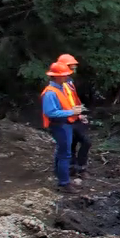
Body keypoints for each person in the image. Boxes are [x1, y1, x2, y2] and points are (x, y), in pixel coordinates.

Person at [39, 62, 85, 193]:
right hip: (59, 125)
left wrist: (74, 112)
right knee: (65, 154)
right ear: (56, 76)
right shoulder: (50, 93)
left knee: (62, 152)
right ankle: (64, 183)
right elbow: (50, 112)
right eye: (64, 75)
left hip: (64, 124)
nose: (67, 77)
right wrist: (71, 112)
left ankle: (61, 177)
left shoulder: (61, 88)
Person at [55, 53, 90, 184]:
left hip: (74, 117)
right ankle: (72, 168)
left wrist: (79, 114)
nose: (74, 69)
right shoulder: (58, 85)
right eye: (72, 66)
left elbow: (73, 99)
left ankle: (80, 167)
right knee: (71, 145)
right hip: (65, 120)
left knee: (86, 142)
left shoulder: (69, 82)